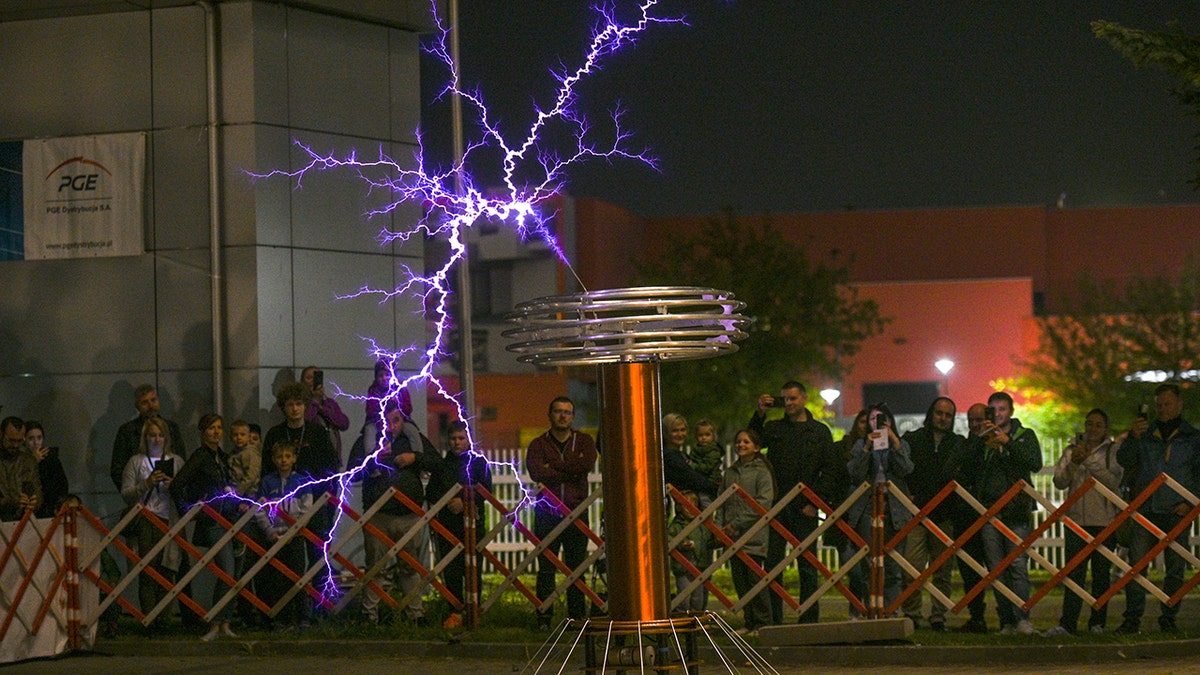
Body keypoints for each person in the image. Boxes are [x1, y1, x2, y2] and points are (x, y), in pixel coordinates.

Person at [748, 381, 844, 624]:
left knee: (808, 565)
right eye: (785, 399)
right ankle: (774, 620)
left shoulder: (819, 432)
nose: (789, 404)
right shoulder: (774, 428)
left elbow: (831, 469)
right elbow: (751, 441)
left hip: (805, 507)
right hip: (777, 506)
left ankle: (809, 619)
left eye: (793, 399)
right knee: (773, 565)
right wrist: (759, 412)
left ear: (803, 399)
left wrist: (816, 502)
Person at [1115, 383, 1200, 635]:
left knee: (1175, 568)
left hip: (1178, 510)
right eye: (1159, 405)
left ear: (1179, 405)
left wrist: (1192, 501)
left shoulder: (1192, 438)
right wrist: (1133, 437)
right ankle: (1132, 620)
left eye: (1167, 404)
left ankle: (1169, 618)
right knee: (1137, 567)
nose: (1162, 409)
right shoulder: (1145, 435)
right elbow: (1124, 460)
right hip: (1146, 508)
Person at [961, 391, 1042, 636]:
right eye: (992, 410)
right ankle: (1006, 621)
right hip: (989, 511)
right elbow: (966, 466)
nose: (997, 414)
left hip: (1016, 511)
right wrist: (980, 439)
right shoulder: (983, 440)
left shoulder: (1023, 435)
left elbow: (1034, 463)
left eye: (1002, 409)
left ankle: (1023, 619)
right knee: (996, 568)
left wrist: (1007, 442)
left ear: (1011, 412)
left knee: (1017, 565)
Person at [1043, 408, 1122, 637]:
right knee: (1073, 575)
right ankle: (1068, 623)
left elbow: (1113, 482)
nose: (1092, 429)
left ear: (1105, 429)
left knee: (1100, 575)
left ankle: (1097, 623)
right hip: (1076, 520)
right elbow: (1059, 481)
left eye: (1098, 425)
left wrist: (1089, 461)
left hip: (1104, 520)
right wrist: (1075, 463)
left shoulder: (1112, 452)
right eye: (1089, 424)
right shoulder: (1070, 450)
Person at [361, 401, 440, 624]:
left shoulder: (414, 440)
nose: (391, 426)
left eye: (396, 420)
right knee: (375, 568)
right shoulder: (369, 441)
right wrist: (373, 459)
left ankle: (415, 614)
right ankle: (370, 615)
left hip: (409, 516)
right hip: (378, 516)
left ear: (403, 420)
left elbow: (436, 463)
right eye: (386, 421)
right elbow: (354, 469)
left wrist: (415, 458)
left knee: (410, 567)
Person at [526, 396, 598, 630]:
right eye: (558, 411)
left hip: (577, 513)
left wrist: (553, 467)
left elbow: (585, 465)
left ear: (573, 416)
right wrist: (569, 469)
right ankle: (544, 618)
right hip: (547, 514)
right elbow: (536, 472)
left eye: (567, 412)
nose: (562, 416)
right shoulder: (538, 445)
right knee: (546, 568)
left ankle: (577, 619)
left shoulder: (585, 441)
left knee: (576, 568)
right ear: (550, 415)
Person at [170, 413, 238, 641]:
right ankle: (215, 623)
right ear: (201, 433)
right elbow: (178, 484)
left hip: (229, 520)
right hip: (212, 522)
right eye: (211, 428)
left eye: (219, 428)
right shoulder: (199, 457)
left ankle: (225, 622)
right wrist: (187, 512)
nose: (216, 432)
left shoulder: (224, 457)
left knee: (231, 573)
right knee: (227, 571)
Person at [900, 397, 966, 630]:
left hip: (945, 516)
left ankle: (939, 616)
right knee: (911, 568)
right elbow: (900, 470)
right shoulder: (912, 439)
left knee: (943, 572)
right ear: (931, 413)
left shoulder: (959, 444)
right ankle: (912, 614)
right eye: (939, 413)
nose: (943, 418)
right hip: (915, 516)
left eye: (948, 415)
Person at [844, 406, 913, 615]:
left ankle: (892, 611)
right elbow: (855, 474)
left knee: (893, 565)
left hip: (894, 509)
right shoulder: (860, 444)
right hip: (866, 508)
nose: (877, 422)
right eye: (872, 419)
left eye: (881, 418)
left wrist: (893, 440)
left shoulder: (901, 444)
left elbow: (906, 469)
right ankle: (870, 610)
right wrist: (867, 447)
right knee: (867, 565)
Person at [427, 420, 492, 629]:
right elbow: (432, 493)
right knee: (452, 571)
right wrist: (448, 501)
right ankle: (454, 611)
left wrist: (465, 502)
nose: (457, 443)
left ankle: (474, 610)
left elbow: (486, 489)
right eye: (453, 438)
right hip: (447, 526)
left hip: (473, 525)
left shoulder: (479, 463)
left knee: (473, 569)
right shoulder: (442, 466)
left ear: (469, 440)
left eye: (461, 438)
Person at [120, 415, 184, 620]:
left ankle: (164, 618)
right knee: (147, 570)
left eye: (160, 435)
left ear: (166, 438)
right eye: (152, 436)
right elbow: (126, 493)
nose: (156, 440)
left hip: (170, 519)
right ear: (145, 438)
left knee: (168, 568)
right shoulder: (136, 462)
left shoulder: (176, 461)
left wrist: (172, 484)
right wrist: (146, 484)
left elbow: (185, 490)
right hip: (146, 519)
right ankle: (149, 617)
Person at [717, 429, 774, 635]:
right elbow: (722, 501)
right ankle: (749, 621)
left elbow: (763, 503)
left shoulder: (761, 472)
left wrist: (738, 523)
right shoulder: (730, 473)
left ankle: (762, 622)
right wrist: (720, 525)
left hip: (753, 535)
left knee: (755, 580)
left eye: (746, 442)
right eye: (739, 441)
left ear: (756, 447)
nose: (741, 445)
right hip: (732, 536)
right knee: (740, 580)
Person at [255, 440, 314, 632]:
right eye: (280, 457)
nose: (283, 461)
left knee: (298, 577)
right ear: (273, 460)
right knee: (277, 580)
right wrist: (270, 532)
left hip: (295, 537)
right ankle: (282, 618)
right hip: (274, 538)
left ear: (294, 459)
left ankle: (302, 618)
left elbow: (307, 508)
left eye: (288, 457)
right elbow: (260, 510)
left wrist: (296, 529)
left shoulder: (302, 481)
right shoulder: (267, 482)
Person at [110, 384, 186, 490]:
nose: (151, 406)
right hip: (139, 492)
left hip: (168, 491)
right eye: (145, 402)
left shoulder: (171, 428)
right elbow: (117, 469)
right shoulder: (127, 431)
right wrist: (132, 493)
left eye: (153, 400)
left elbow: (181, 464)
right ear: (137, 406)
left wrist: (176, 487)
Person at [834, 410, 871, 619]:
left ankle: (867, 609)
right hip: (845, 512)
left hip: (866, 512)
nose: (865, 426)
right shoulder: (842, 447)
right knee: (851, 566)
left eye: (870, 422)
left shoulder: (879, 448)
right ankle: (855, 609)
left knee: (867, 566)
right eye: (862, 421)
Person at [668, 489, 712, 612]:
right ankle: (682, 623)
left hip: (700, 568)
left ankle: (695, 625)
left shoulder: (702, 525)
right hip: (683, 569)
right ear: (679, 507)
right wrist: (681, 544)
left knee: (698, 601)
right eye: (686, 504)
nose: (690, 507)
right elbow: (668, 539)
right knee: (684, 599)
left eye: (694, 503)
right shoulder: (676, 525)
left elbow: (709, 540)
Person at [662, 413, 719, 503]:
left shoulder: (682, 455)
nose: (680, 434)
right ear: (666, 433)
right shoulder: (669, 457)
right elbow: (693, 479)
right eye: (675, 431)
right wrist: (719, 489)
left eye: (683, 430)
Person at [301, 366, 350, 467]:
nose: (313, 381)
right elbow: (305, 420)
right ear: (302, 382)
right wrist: (313, 401)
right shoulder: (300, 404)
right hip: (311, 460)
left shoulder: (329, 403)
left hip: (332, 460)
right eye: (309, 378)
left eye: (316, 377)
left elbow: (344, 424)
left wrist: (322, 407)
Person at [23, 421, 69, 519]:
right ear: (24, 440)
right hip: (31, 510)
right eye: (31, 438)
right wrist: (33, 462)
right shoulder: (21, 461)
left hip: (51, 510)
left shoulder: (52, 459)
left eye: (39, 438)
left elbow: (62, 485)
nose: (36, 443)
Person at [0, 417, 41, 521]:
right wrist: (12, 502)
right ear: (1, 434)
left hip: (24, 522)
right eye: (11, 440)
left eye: (20, 440)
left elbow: (38, 493)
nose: (15, 445)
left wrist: (35, 502)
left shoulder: (28, 461)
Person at [689, 419, 725, 501]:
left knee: (705, 501)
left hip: (711, 481)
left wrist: (693, 465)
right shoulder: (696, 450)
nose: (704, 438)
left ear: (713, 436)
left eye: (707, 435)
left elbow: (707, 467)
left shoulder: (714, 450)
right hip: (699, 481)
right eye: (700, 435)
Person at [227, 420, 261, 499]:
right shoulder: (232, 453)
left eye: (242, 435)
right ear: (231, 437)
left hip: (248, 493)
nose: (239, 437)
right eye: (235, 435)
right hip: (235, 490)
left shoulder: (250, 453)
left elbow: (251, 476)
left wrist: (238, 492)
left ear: (248, 437)